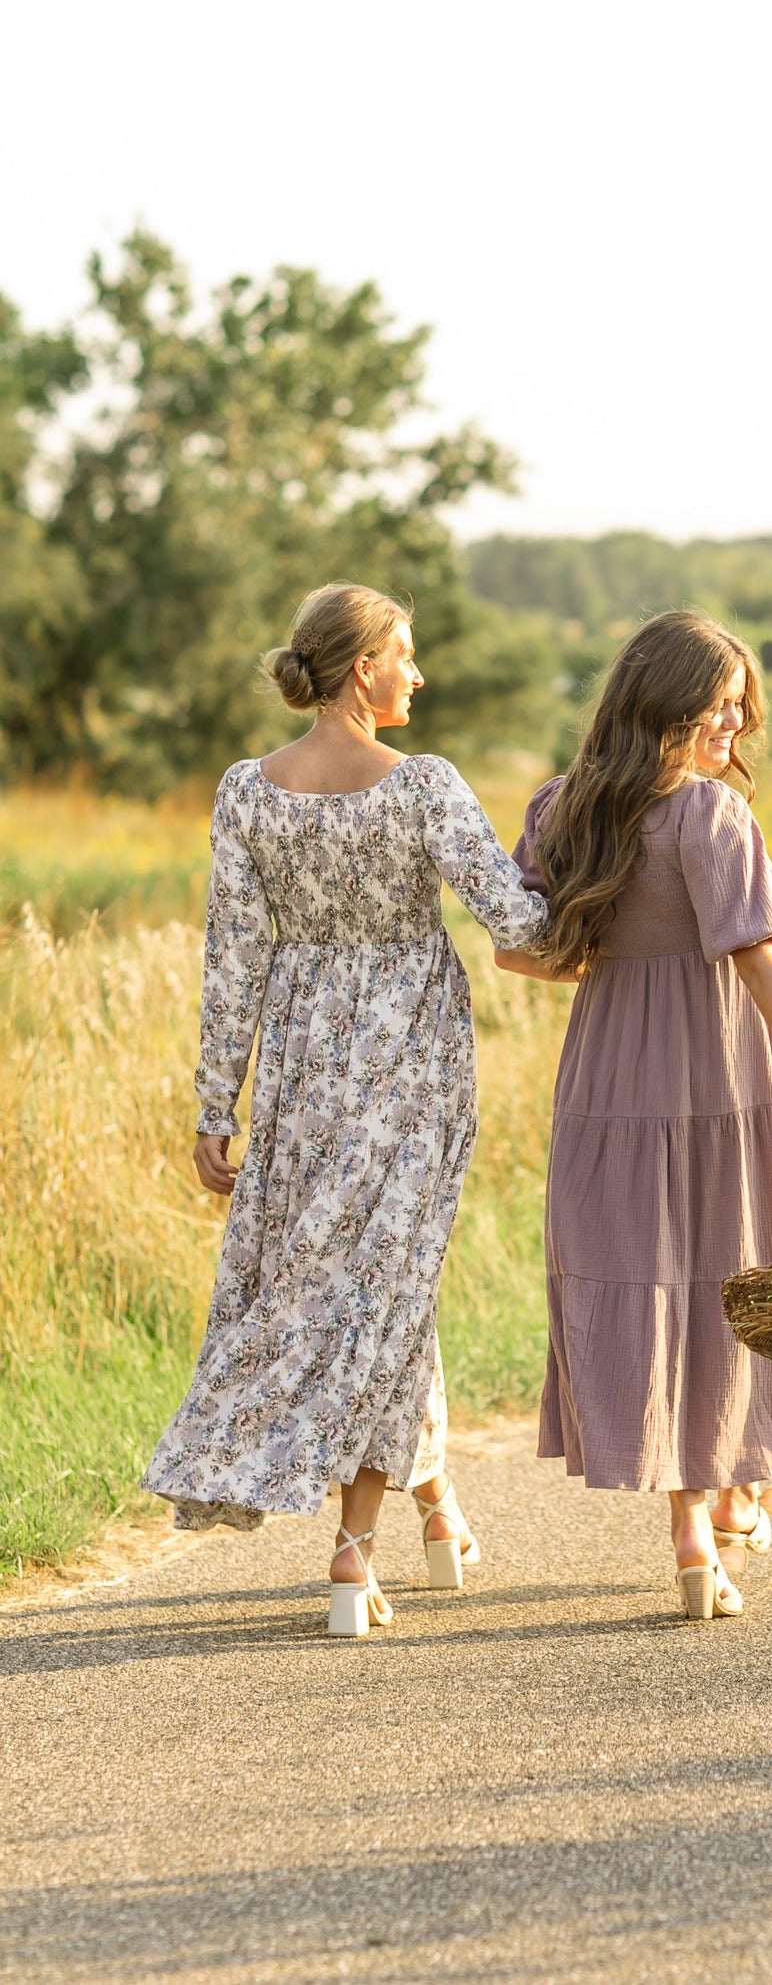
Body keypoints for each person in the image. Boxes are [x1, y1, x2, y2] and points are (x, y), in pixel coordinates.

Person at [496, 610, 772, 1621]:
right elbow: (754, 958)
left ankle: (698, 1528)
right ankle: (731, 1497)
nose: (735, 722)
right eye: (719, 704)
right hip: (727, 1072)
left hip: (609, 1078)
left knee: (658, 1285)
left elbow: (523, 949)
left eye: (741, 705)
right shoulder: (707, 814)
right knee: (738, 1279)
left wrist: (613, 957)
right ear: (665, 703)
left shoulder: (561, 807)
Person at [144, 583, 548, 1636]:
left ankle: (436, 1504)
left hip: (302, 1066)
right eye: (405, 653)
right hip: (411, 1062)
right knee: (387, 1288)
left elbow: (232, 958)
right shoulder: (423, 785)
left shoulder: (246, 791)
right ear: (363, 666)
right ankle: (350, 1551)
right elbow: (516, 920)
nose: (418, 673)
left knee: (361, 1279)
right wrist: (619, 897)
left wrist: (214, 1105)